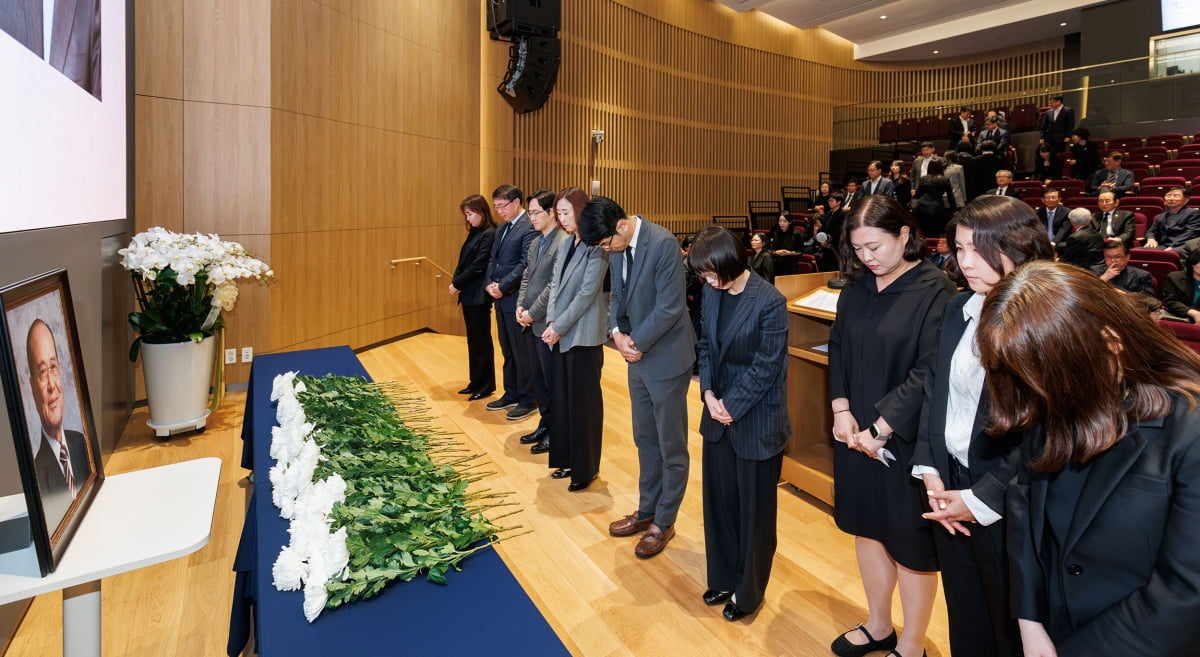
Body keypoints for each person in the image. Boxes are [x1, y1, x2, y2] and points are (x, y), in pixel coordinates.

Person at [977, 261, 1200, 657]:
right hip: (1051, 629)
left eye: (1048, 376)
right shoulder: (1052, 392)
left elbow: (1185, 592)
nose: (1040, 396)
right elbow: (1024, 509)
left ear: (1110, 341)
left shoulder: (1189, 429)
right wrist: (1029, 624)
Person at [912, 195, 1053, 657]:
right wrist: (928, 467)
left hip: (1008, 497)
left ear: (1018, 247)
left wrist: (981, 499)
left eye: (978, 249)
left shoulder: (1045, 319)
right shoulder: (957, 308)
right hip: (949, 486)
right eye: (958, 248)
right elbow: (936, 391)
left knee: (1008, 628)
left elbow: (1044, 428)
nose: (965, 262)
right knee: (966, 617)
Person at [828, 195, 956, 657]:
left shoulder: (934, 288)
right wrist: (842, 411)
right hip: (854, 431)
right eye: (858, 248)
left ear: (904, 234)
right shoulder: (859, 286)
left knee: (909, 542)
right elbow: (838, 346)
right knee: (868, 527)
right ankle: (878, 624)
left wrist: (880, 427)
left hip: (903, 438)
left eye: (875, 246)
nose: (867, 257)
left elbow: (928, 370)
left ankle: (912, 644)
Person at [579, 196, 695, 558]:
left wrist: (636, 342)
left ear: (621, 226)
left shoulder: (662, 244)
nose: (605, 251)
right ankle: (647, 510)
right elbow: (616, 296)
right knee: (644, 437)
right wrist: (616, 333)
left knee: (670, 444)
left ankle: (665, 520)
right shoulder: (616, 246)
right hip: (636, 355)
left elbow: (670, 307)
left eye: (605, 244)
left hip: (666, 358)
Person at [688, 225, 789, 623]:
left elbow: (767, 367)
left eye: (711, 274)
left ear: (732, 263)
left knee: (754, 514)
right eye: (702, 276)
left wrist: (731, 404)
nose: (707, 282)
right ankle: (724, 576)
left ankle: (749, 592)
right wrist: (709, 394)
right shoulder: (712, 294)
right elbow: (705, 348)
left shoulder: (770, 301)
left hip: (756, 420)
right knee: (720, 505)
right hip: (717, 415)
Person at [542, 186, 610, 489]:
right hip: (561, 332)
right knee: (563, 401)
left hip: (583, 337)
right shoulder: (566, 243)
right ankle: (567, 460)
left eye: (566, 212)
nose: (561, 218)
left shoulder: (597, 248)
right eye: (558, 213)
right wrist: (551, 322)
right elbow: (554, 286)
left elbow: (586, 295)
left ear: (581, 211)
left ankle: (586, 469)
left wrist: (559, 326)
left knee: (584, 407)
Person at [25, 319, 90, 535]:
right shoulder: (37, 479)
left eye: (53, 368)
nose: (52, 384)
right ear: (33, 386)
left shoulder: (82, 443)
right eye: (42, 373)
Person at [516, 189, 569, 454]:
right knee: (538, 379)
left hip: (546, 322)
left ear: (552, 213)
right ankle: (545, 423)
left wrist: (532, 312)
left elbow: (553, 285)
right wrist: (520, 306)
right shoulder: (536, 242)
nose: (532, 218)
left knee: (552, 382)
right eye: (530, 213)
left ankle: (555, 431)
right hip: (530, 321)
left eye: (536, 213)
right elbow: (527, 277)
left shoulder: (563, 242)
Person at [485, 184, 539, 420]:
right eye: (496, 207)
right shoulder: (502, 228)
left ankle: (529, 398)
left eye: (502, 206)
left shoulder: (529, 227)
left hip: (516, 299)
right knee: (507, 349)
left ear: (516, 202)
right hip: (500, 298)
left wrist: (503, 286)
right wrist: (489, 283)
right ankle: (512, 392)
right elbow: (492, 259)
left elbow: (525, 264)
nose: (499, 211)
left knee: (522, 352)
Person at [449, 194, 497, 401]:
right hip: (469, 295)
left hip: (478, 296)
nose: (468, 219)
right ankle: (475, 381)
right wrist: (456, 280)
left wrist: (457, 283)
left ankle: (485, 385)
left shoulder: (489, 233)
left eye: (470, 214)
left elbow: (478, 266)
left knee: (481, 342)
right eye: (466, 215)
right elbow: (464, 261)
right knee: (473, 342)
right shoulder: (476, 232)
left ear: (481, 212)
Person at [912, 160, 956, 239]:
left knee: (923, 232)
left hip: (922, 207)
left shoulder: (923, 179)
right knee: (935, 233)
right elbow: (950, 196)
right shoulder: (944, 179)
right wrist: (954, 210)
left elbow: (918, 194)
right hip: (936, 207)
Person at [1163, 249, 1200, 323]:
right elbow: (1170, 301)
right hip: (1180, 317)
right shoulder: (1174, 277)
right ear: (1193, 263)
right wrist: (1192, 312)